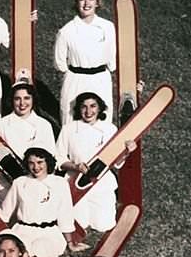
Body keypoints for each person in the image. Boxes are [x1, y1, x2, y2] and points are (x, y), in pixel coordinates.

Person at [56, 92, 134, 234]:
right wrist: (75, 166)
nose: (88, 111)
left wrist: (126, 153)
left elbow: (117, 163)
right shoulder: (69, 129)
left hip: (102, 183)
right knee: (80, 223)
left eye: (93, 106)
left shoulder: (110, 129)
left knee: (104, 225)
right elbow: (59, 158)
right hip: (76, 182)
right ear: (78, 109)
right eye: (84, 107)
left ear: (99, 109)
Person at [0, 147, 76, 257]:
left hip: (49, 232)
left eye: (40, 162)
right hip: (23, 230)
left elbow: (65, 214)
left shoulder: (59, 183)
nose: (36, 167)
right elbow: (4, 213)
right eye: (31, 163)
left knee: (40, 252)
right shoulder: (20, 182)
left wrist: (70, 242)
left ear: (47, 163)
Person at [53, 0, 116, 125]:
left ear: (97, 2)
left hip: (100, 80)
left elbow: (112, 59)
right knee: (71, 121)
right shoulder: (66, 31)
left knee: (102, 121)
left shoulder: (107, 27)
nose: (87, 3)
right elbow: (60, 63)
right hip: (75, 80)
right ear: (76, 2)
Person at [0, 81, 56, 204]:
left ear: (33, 100)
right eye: (17, 99)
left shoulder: (44, 125)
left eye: (27, 98)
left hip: (37, 183)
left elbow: (51, 157)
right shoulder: (1, 124)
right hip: (5, 183)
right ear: (12, 100)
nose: (22, 103)